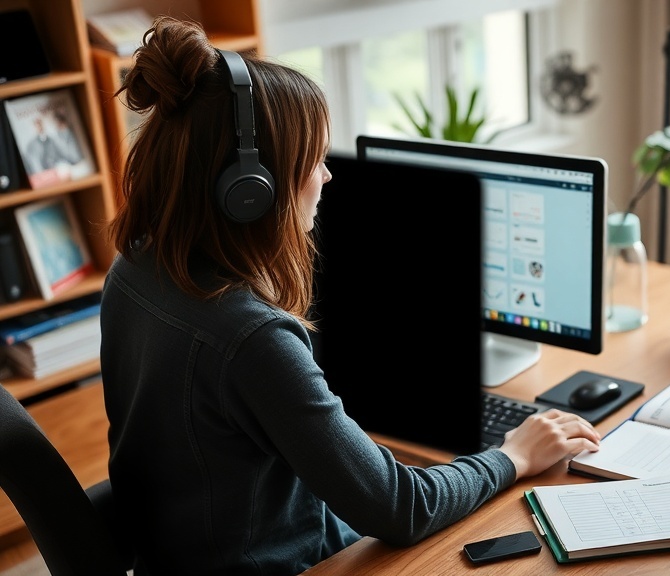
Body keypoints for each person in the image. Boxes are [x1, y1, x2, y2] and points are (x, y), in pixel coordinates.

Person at [100, 16, 601, 576]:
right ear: (248, 191)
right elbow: (399, 507)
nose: (327, 176)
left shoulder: (134, 267)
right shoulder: (248, 336)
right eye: (312, 160)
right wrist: (515, 454)